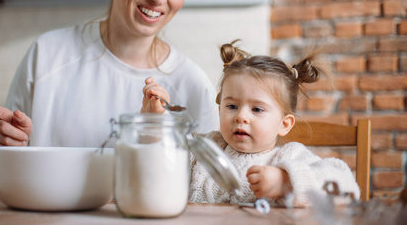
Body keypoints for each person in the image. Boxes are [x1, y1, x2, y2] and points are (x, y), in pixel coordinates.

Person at [0, 0, 219, 147]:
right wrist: (12, 143)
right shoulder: (47, 53)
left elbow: (208, 185)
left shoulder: (194, 86)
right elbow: (7, 161)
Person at [142, 40, 360, 207]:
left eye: (257, 109)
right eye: (232, 106)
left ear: (284, 124)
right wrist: (155, 120)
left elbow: (347, 187)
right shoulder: (207, 148)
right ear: (219, 110)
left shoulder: (288, 158)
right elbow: (160, 161)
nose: (241, 117)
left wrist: (286, 182)